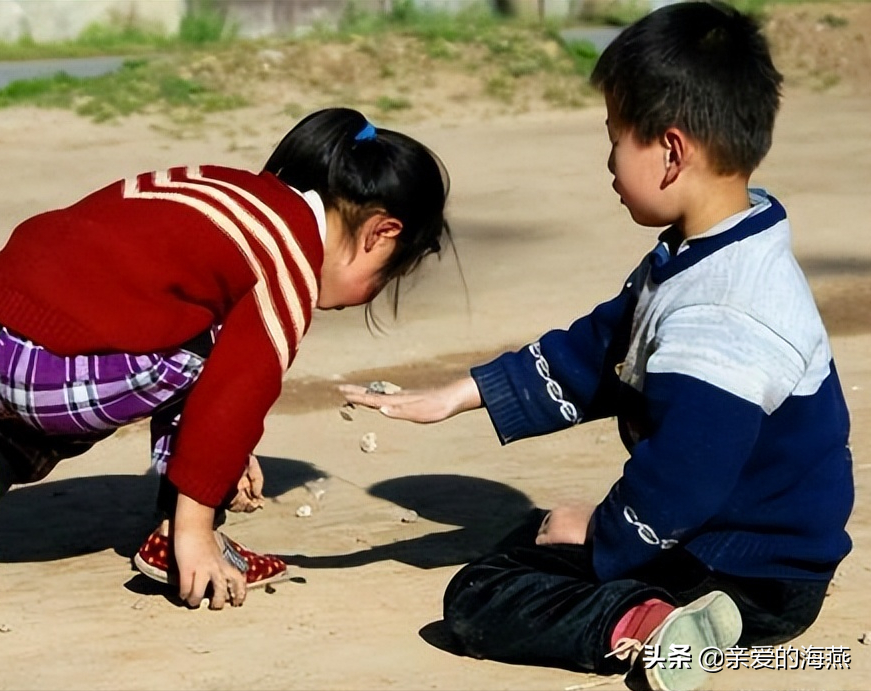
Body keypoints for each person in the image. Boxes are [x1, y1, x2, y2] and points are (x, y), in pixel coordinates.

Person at [341, 4, 853, 690]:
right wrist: (455, 396)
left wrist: (604, 531)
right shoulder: (714, 247)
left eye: (615, 136)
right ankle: (658, 610)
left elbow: (687, 472)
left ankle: (647, 624)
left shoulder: (723, 311)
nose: (608, 160)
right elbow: (599, 347)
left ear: (671, 152)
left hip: (746, 569)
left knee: (481, 595)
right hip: (747, 548)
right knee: (531, 536)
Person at [0, 107, 452, 611]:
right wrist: (200, 511)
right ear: (381, 234)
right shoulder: (286, 260)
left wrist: (227, 456)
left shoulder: (220, 184)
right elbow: (233, 398)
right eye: (388, 276)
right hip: (50, 371)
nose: (376, 292)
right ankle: (176, 537)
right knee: (214, 362)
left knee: (146, 341)